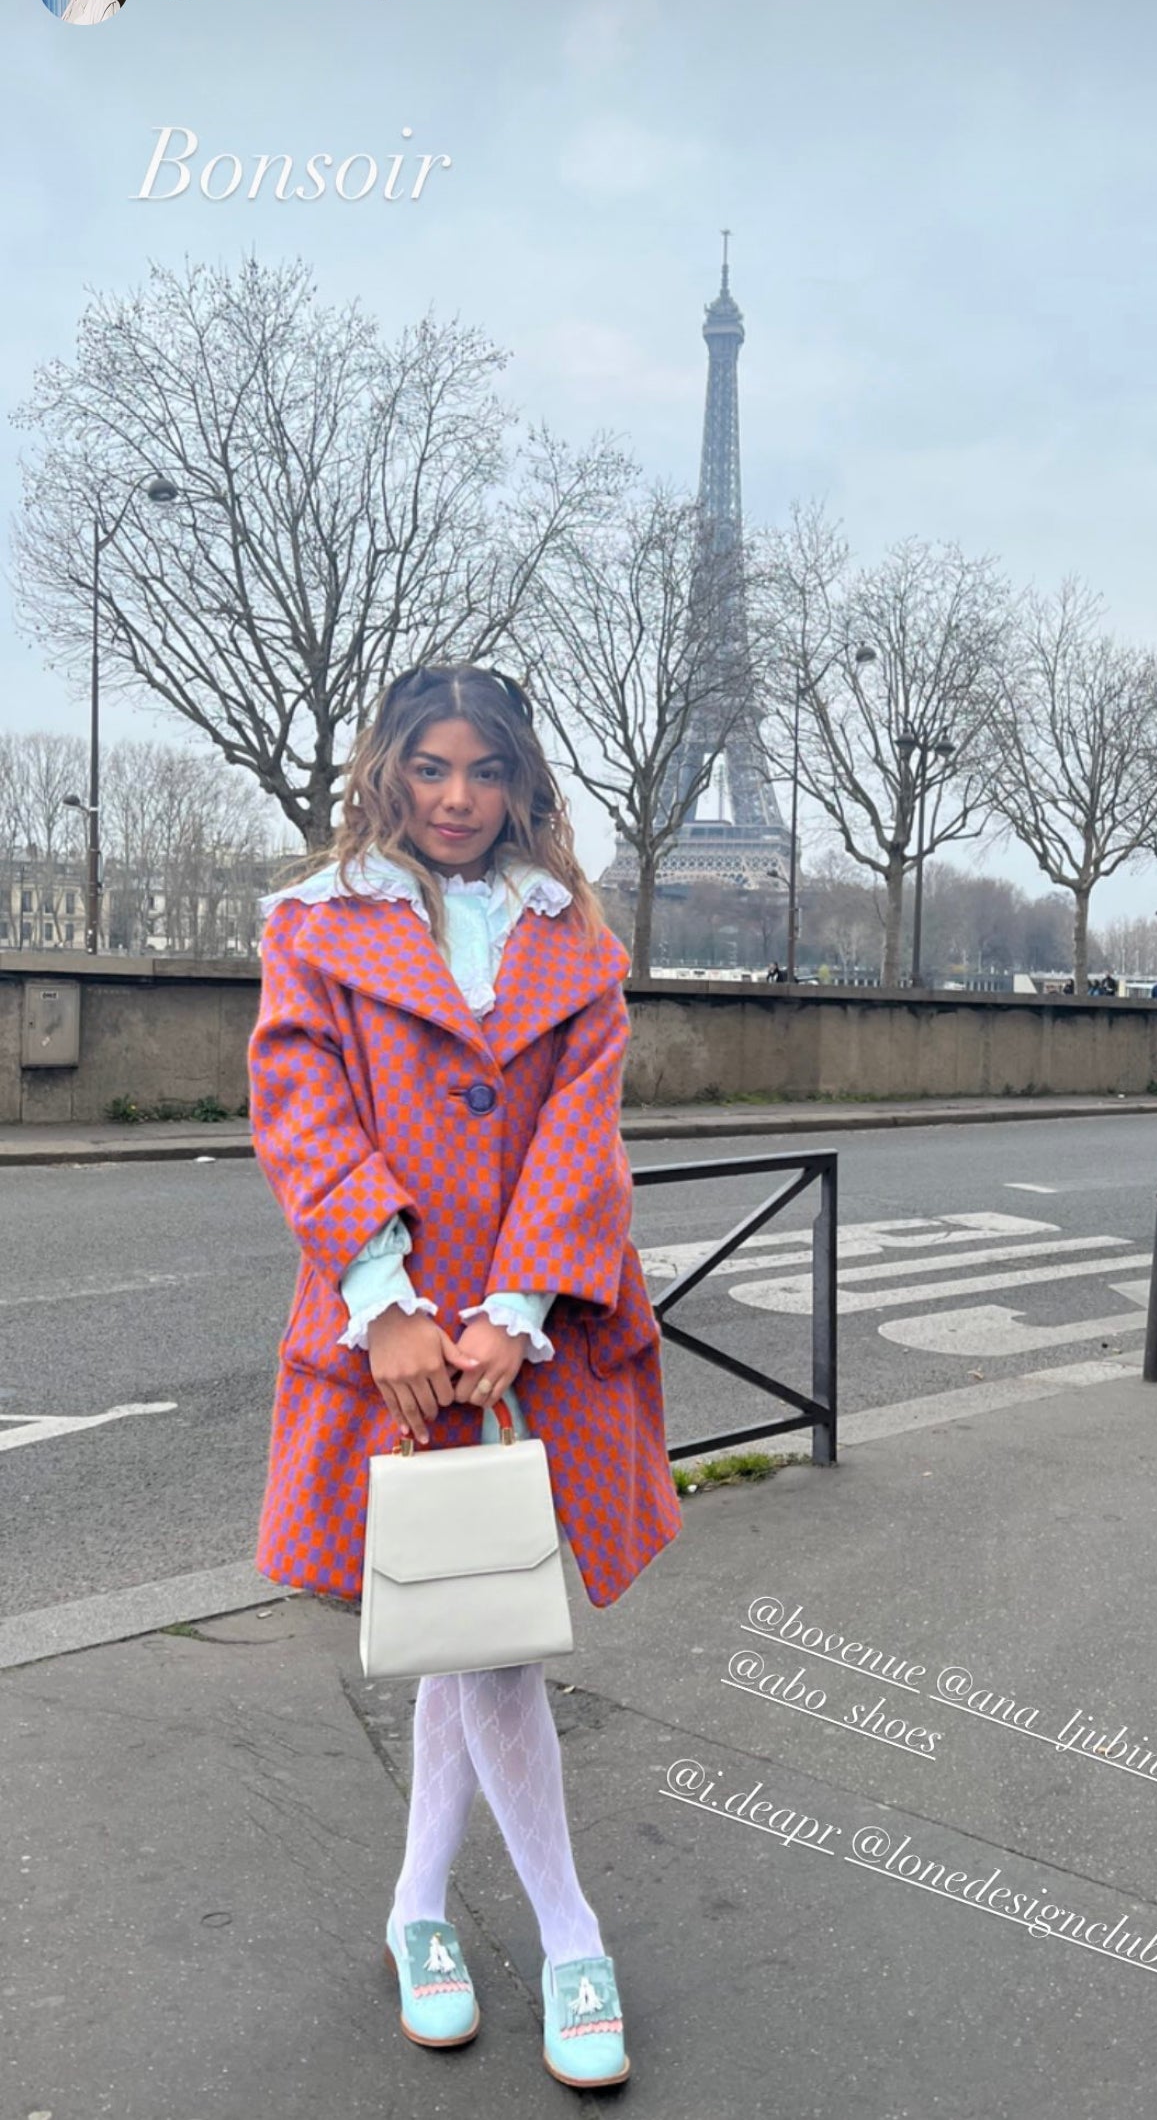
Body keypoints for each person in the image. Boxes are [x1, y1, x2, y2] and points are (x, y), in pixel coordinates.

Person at [248, 665, 681, 2090]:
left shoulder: (575, 945)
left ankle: (425, 1912)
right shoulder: (318, 925)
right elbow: (303, 1109)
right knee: (477, 1622)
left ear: (521, 782)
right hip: (395, 1343)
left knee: (473, 1617)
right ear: (388, 768)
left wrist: (517, 1304)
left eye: (482, 771)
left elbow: (581, 1135)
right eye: (428, 767)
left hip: (519, 1337)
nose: (453, 797)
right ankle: (569, 1934)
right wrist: (385, 1304)